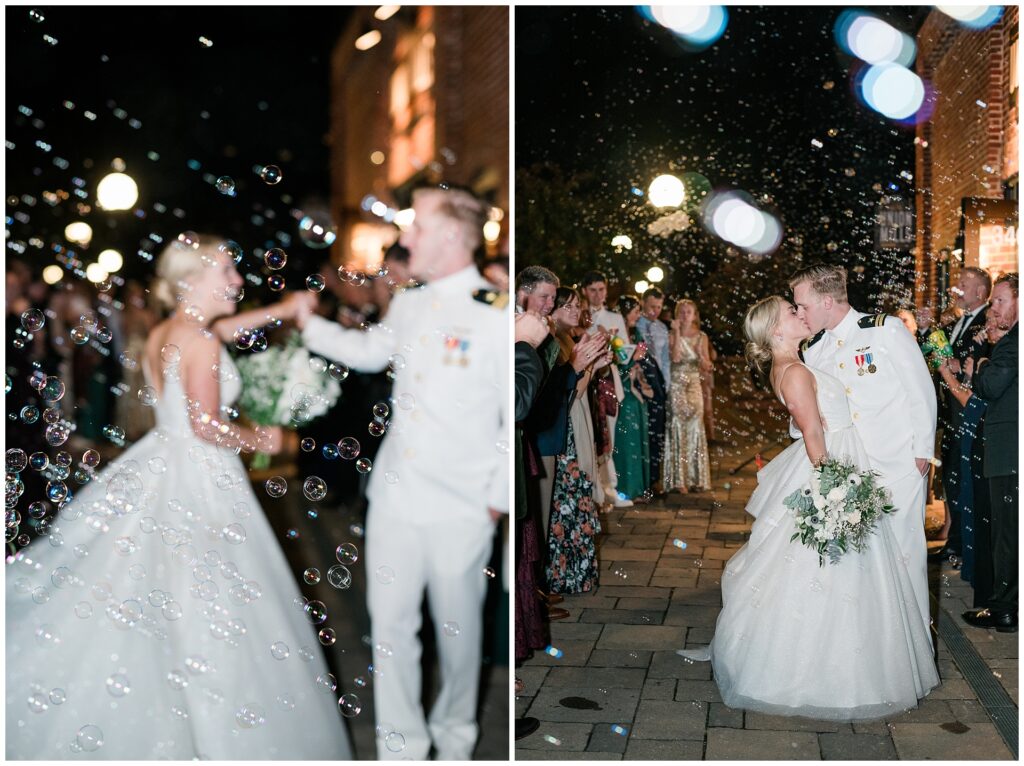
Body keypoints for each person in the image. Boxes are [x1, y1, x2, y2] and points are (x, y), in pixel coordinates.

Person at [5, 235, 352, 760]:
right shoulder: (204, 342)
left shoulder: (170, 330)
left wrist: (282, 309)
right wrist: (269, 439)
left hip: (160, 464)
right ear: (192, 280)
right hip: (202, 479)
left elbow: (220, 336)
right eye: (227, 272)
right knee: (213, 605)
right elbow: (207, 425)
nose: (238, 281)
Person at [295, 185, 508, 760]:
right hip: (394, 494)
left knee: (456, 633)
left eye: (417, 226)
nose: (406, 237)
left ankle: (457, 738)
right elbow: (369, 352)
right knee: (389, 630)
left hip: (463, 501)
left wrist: (497, 496)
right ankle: (401, 749)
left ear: (450, 235)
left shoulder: (495, 310)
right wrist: (308, 325)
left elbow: (511, 413)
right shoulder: (411, 302)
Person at [679, 296, 939, 720]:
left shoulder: (799, 362)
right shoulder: (795, 370)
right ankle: (823, 670)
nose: (799, 314)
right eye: (790, 312)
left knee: (837, 569)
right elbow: (812, 432)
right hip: (831, 464)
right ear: (776, 331)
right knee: (831, 569)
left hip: (842, 455)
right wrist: (835, 488)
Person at [793, 264, 936, 635]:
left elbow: (920, 390)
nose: (799, 313)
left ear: (827, 301)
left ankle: (915, 640)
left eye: (803, 305)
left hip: (896, 466)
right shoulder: (812, 349)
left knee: (906, 558)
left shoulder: (884, 330)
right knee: (861, 562)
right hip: (847, 476)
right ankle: (873, 639)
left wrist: (921, 452)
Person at [962, 273, 1018, 633]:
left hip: (1010, 451)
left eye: (1000, 300)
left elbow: (990, 385)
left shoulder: (1013, 342)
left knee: (1007, 534)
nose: (993, 307)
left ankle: (1004, 608)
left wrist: (981, 365)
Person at [545, 288, 608, 593]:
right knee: (567, 502)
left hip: (575, 419)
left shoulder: (567, 339)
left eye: (575, 305)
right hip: (564, 428)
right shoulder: (552, 343)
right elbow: (571, 393)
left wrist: (592, 363)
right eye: (566, 305)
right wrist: (587, 364)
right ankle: (560, 578)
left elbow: (579, 387)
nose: (573, 309)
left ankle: (571, 576)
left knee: (574, 499)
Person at [581, 271, 632, 507]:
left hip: (607, 382)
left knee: (608, 435)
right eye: (593, 290)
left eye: (601, 289)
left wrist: (612, 341)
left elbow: (622, 357)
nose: (598, 294)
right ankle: (593, 490)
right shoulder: (579, 317)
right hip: (584, 382)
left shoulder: (614, 318)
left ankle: (610, 488)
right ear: (584, 291)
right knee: (589, 435)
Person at [663, 299, 712, 493]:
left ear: (694, 314)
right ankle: (678, 480)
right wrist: (676, 331)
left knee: (695, 427)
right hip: (676, 384)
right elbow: (675, 358)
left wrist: (704, 361)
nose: (685, 315)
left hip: (694, 385)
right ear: (676, 314)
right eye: (681, 312)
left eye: (688, 312)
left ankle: (696, 478)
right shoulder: (670, 335)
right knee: (677, 426)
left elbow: (707, 364)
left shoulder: (702, 336)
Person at [612, 295, 652, 500]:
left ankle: (639, 488)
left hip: (636, 393)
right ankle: (626, 489)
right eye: (636, 311)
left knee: (639, 441)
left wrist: (639, 362)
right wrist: (631, 361)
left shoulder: (636, 334)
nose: (639, 315)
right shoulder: (615, 336)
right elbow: (614, 369)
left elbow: (638, 362)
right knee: (626, 443)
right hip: (622, 394)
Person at [636, 287, 669, 492]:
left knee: (657, 431)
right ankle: (641, 477)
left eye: (658, 307)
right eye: (651, 306)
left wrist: (666, 386)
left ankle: (655, 478)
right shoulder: (634, 326)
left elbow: (665, 359)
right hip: (640, 380)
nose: (655, 311)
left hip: (658, 383)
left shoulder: (662, 329)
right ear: (642, 304)